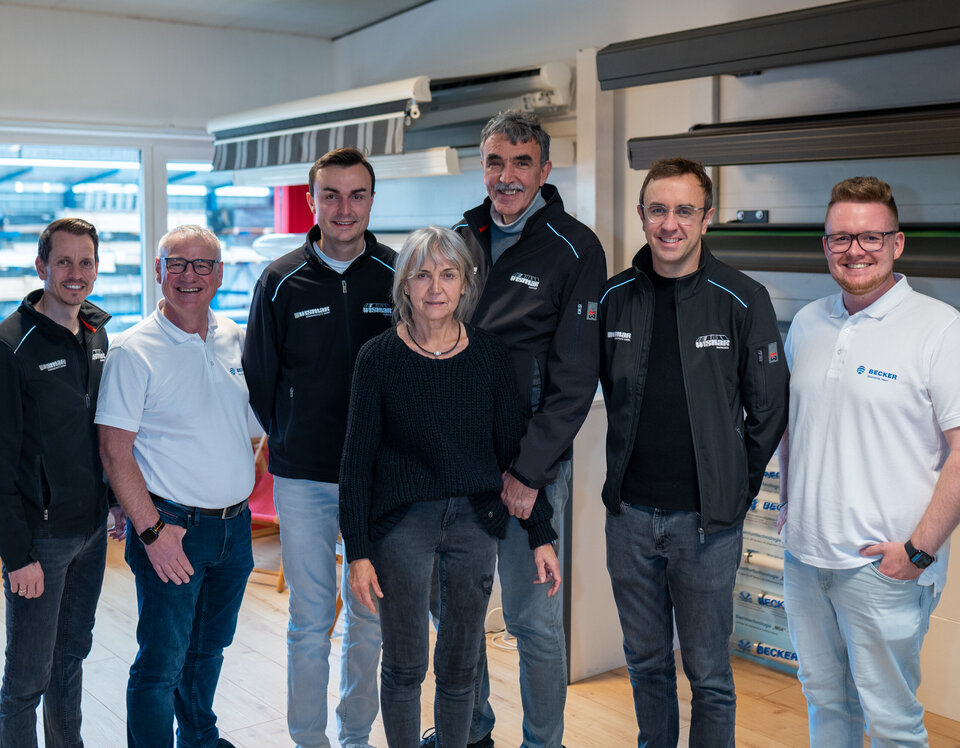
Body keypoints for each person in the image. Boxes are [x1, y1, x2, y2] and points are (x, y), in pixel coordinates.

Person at [340, 226, 561, 748]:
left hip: (474, 524)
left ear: (465, 284)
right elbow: (356, 465)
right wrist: (358, 552)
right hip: (401, 528)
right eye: (421, 274)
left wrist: (540, 533)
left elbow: (512, 452)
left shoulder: (488, 356)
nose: (435, 286)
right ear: (405, 286)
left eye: (448, 274)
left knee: (462, 665)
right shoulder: (378, 358)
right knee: (404, 664)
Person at [598, 157, 788, 748]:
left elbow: (769, 410)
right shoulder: (614, 298)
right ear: (641, 215)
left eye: (685, 210)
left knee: (708, 675)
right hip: (629, 519)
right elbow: (605, 388)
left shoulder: (743, 297)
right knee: (645, 663)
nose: (670, 223)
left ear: (707, 218)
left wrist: (737, 485)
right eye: (658, 209)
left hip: (708, 526)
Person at [431, 109, 605, 748]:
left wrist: (530, 473)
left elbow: (575, 378)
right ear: (483, 166)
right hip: (454, 464)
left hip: (528, 468)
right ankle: (472, 732)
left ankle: (543, 741)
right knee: (457, 614)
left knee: (534, 621)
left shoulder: (574, 248)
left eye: (521, 163)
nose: (506, 177)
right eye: (495, 162)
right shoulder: (458, 238)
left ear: (544, 169)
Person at [778, 176, 960, 747]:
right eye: (840, 238)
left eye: (871, 237)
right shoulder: (807, 323)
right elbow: (793, 427)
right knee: (824, 700)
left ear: (898, 243)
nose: (855, 249)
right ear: (825, 245)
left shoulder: (939, 328)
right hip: (806, 561)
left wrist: (918, 551)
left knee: (892, 722)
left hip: (884, 568)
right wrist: (788, 507)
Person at [244, 147, 393, 748]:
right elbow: (260, 379)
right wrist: (294, 433)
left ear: (371, 201)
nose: (344, 207)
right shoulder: (279, 280)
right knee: (309, 621)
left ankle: (355, 736)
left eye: (357, 195)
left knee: (370, 619)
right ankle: (310, 741)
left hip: (380, 480)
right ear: (312, 201)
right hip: (304, 479)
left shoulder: (397, 273)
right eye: (330, 195)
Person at [97, 225, 254, 748]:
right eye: (178, 264)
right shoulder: (133, 350)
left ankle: (199, 740)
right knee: (161, 663)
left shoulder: (234, 337)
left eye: (202, 264)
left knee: (209, 650)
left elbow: (246, 426)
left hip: (235, 529)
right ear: (158, 270)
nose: (190, 275)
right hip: (173, 529)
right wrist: (151, 531)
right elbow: (114, 451)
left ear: (219, 274)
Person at [0, 217, 125, 747]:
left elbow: (101, 427)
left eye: (86, 262)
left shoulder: (97, 334)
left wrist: (115, 499)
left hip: (91, 530)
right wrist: (16, 556)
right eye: (64, 262)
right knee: (26, 679)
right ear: (41, 267)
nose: (76, 273)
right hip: (40, 540)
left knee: (71, 658)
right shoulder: (12, 346)